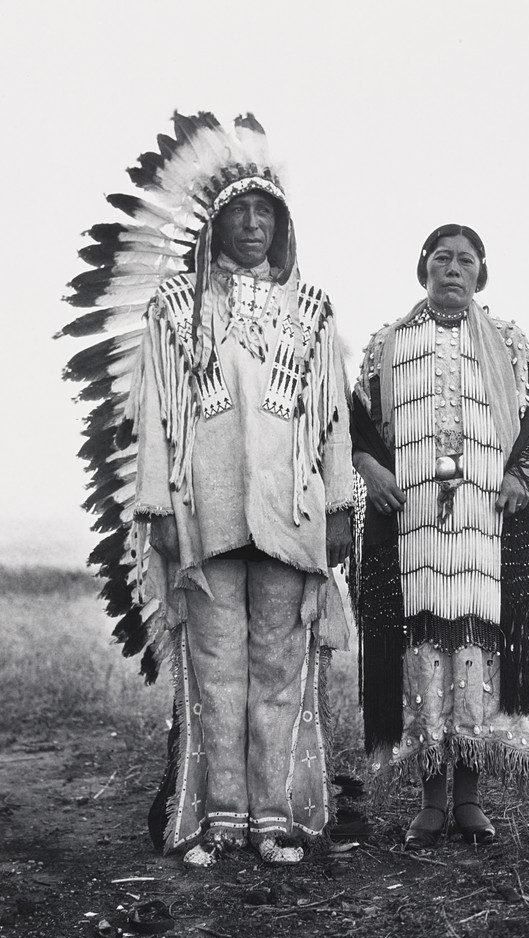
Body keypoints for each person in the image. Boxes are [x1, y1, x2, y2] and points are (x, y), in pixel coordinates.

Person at [59, 112, 353, 865]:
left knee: (282, 671)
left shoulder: (313, 314)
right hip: (206, 515)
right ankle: (220, 814)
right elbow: (156, 419)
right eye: (240, 213)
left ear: (282, 227)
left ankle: (275, 814)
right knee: (217, 671)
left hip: (291, 517)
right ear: (216, 224)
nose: (253, 226)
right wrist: (156, 506)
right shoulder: (176, 311)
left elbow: (333, 426)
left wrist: (343, 508)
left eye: (266, 214)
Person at [349, 224, 529, 849]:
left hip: (485, 532)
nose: (453, 269)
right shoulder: (386, 347)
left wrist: (522, 476)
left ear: (481, 273)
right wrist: (371, 468)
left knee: (476, 650)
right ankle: (431, 803)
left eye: (466, 260)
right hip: (413, 528)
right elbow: (358, 432)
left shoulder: (509, 346)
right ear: (423, 268)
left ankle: (469, 799)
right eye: (442, 258)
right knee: (423, 651)